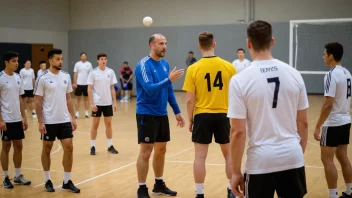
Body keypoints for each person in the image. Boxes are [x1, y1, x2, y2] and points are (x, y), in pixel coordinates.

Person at [228, 20, 309, 198]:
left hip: (260, 162)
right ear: (272, 41)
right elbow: (303, 122)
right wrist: (295, 154)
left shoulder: (240, 80)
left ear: (249, 44)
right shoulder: (294, 74)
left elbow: (237, 132)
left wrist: (235, 172)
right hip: (293, 157)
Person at [182, 31, 236, 198]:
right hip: (223, 115)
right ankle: (230, 190)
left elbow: (190, 101)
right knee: (229, 155)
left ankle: (199, 194)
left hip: (202, 116)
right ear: (214, 44)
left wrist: (191, 119)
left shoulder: (193, 68)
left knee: (200, 157)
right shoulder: (229, 66)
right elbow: (236, 95)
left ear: (199, 47)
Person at [135, 33, 185, 198]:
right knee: (146, 152)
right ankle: (142, 188)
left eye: (165, 43)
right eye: (161, 43)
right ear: (152, 45)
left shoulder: (164, 64)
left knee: (161, 150)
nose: (164, 46)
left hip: (161, 114)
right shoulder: (143, 65)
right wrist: (169, 80)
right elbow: (149, 89)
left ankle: (159, 184)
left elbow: (168, 90)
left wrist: (176, 111)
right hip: (146, 113)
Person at [34, 48, 80, 193]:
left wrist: (73, 117)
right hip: (49, 121)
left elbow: (68, 99)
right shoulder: (43, 78)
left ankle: (67, 181)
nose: (60, 62)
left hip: (64, 120)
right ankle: (47, 180)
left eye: (61, 59)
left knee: (69, 147)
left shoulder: (66, 76)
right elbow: (37, 101)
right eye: (57, 59)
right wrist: (40, 121)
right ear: (50, 60)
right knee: (46, 149)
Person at [313, 42, 352, 198]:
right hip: (346, 120)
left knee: (327, 159)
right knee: (343, 157)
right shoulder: (347, 73)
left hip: (334, 122)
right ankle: (349, 192)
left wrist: (317, 126)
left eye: (324, 54)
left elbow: (328, 104)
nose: (323, 57)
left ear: (331, 56)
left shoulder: (331, 75)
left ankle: (333, 196)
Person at [1, 51, 30, 189]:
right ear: (6, 62)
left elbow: (20, 100)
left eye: (17, 61)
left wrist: (24, 117)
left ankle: (18, 176)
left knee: (19, 147)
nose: (16, 63)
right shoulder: (0, 78)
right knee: (6, 147)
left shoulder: (18, 77)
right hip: (5, 119)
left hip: (17, 119)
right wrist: (1, 120)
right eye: (13, 61)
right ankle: (6, 177)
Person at [87, 53, 118, 155]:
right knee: (95, 124)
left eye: (105, 59)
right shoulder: (93, 72)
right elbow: (90, 89)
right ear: (98, 61)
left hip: (107, 103)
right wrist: (92, 103)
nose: (104, 61)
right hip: (97, 103)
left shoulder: (110, 71)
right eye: (101, 59)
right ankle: (92, 146)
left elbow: (112, 88)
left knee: (108, 124)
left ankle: (110, 145)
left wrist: (115, 102)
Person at [73, 52, 93, 118]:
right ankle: (77, 113)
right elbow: (75, 74)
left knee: (86, 99)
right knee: (77, 99)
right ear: (80, 57)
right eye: (82, 56)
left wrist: (91, 83)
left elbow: (91, 74)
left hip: (86, 84)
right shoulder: (77, 64)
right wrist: (74, 82)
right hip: (79, 84)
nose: (83, 57)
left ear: (86, 57)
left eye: (84, 56)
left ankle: (86, 112)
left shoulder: (89, 64)